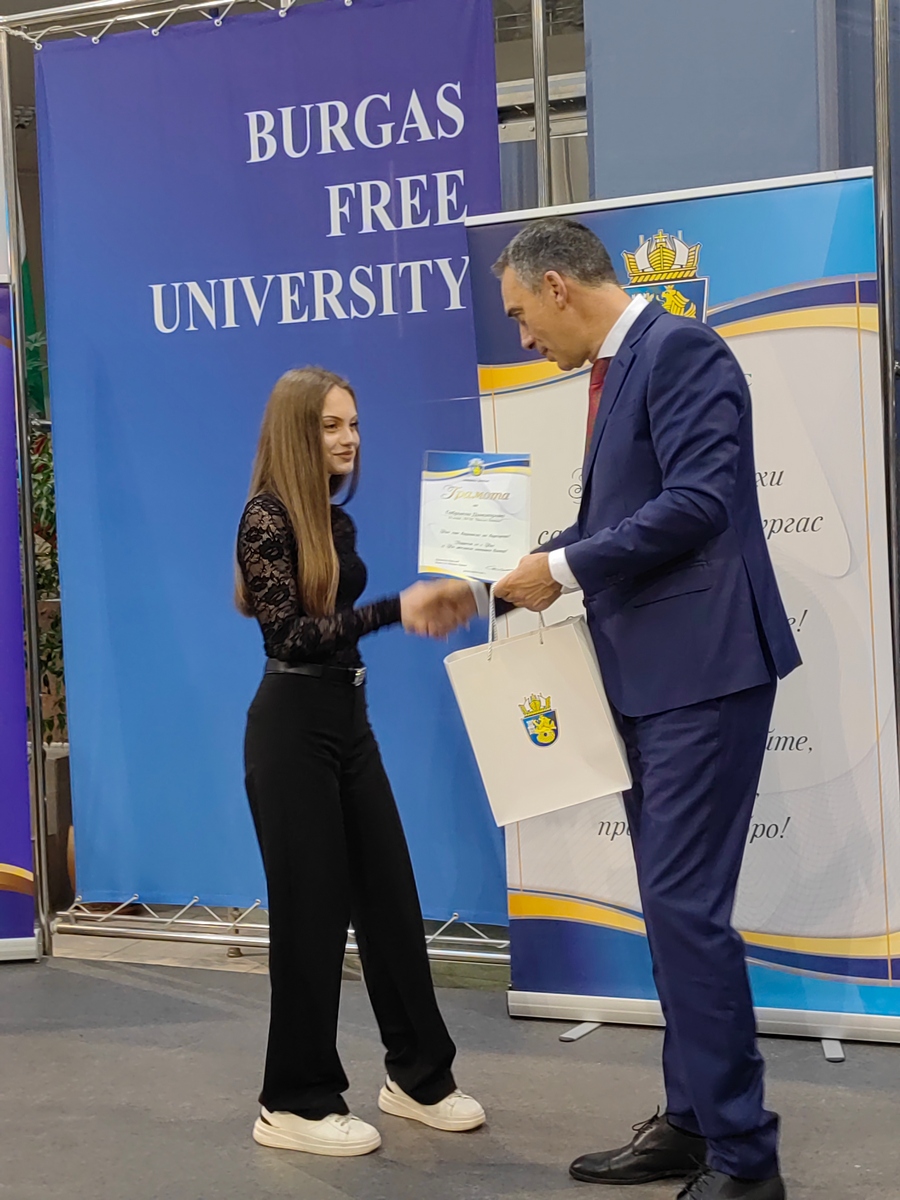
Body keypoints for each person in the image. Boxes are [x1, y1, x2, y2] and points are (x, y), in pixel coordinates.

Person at [490, 219, 800, 1200]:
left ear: (557, 285)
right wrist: (517, 571)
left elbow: (702, 502)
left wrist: (561, 568)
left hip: (704, 671)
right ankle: (692, 1122)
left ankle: (746, 1160)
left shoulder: (680, 349)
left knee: (684, 912)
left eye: (522, 314)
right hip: (652, 677)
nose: (522, 336)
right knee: (672, 915)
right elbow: (621, 518)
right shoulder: (624, 368)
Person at [235, 366, 484, 1158]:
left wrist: (449, 597)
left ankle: (419, 1078)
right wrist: (393, 609)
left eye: (354, 424)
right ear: (295, 432)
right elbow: (290, 635)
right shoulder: (266, 516)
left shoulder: (331, 522)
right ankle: (292, 1101)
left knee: (389, 901)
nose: (349, 439)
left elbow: (340, 624)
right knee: (310, 917)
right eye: (330, 425)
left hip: (349, 721)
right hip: (292, 727)